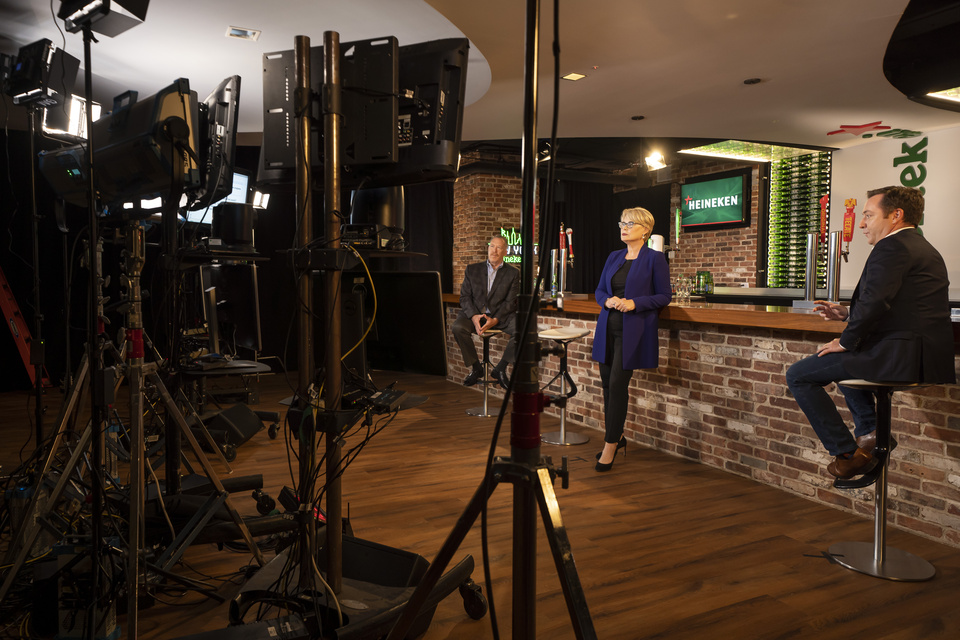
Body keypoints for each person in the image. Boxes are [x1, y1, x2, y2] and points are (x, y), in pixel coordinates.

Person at [786, 186, 955, 479]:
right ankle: (870, 432)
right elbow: (898, 305)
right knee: (844, 362)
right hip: (922, 356)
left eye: (868, 215)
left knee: (799, 375)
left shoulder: (892, 246)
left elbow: (876, 302)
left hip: (900, 356)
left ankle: (847, 453)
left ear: (896, 215)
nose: (862, 224)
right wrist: (847, 314)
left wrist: (845, 341)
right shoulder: (920, 246)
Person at [592, 207, 672, 472]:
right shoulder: (614, 256)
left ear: (645, 230)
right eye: (622, 224)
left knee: (617, 385)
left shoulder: (655, 259)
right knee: (607, 385)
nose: (624, 228)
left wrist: (634, 302)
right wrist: (607, 300)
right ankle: (618, 436)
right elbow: (599, 290)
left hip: (632, 331)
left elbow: (664, 296)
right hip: (607, 328)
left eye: (630, 224)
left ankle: (610, 444)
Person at [451, 235, 520, 389]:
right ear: (488, 248)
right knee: (458, 328)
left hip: (499, 317)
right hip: (474, 315)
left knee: (523, 329)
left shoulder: (513, 273)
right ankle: (476, 367)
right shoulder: (472, 269)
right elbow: (465, 297)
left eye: (499, 247)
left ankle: (500, 369)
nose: (494, 250)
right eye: (492, 246)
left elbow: (510, 302)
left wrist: (495, 319)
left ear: (505, 252)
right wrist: (474, 316)